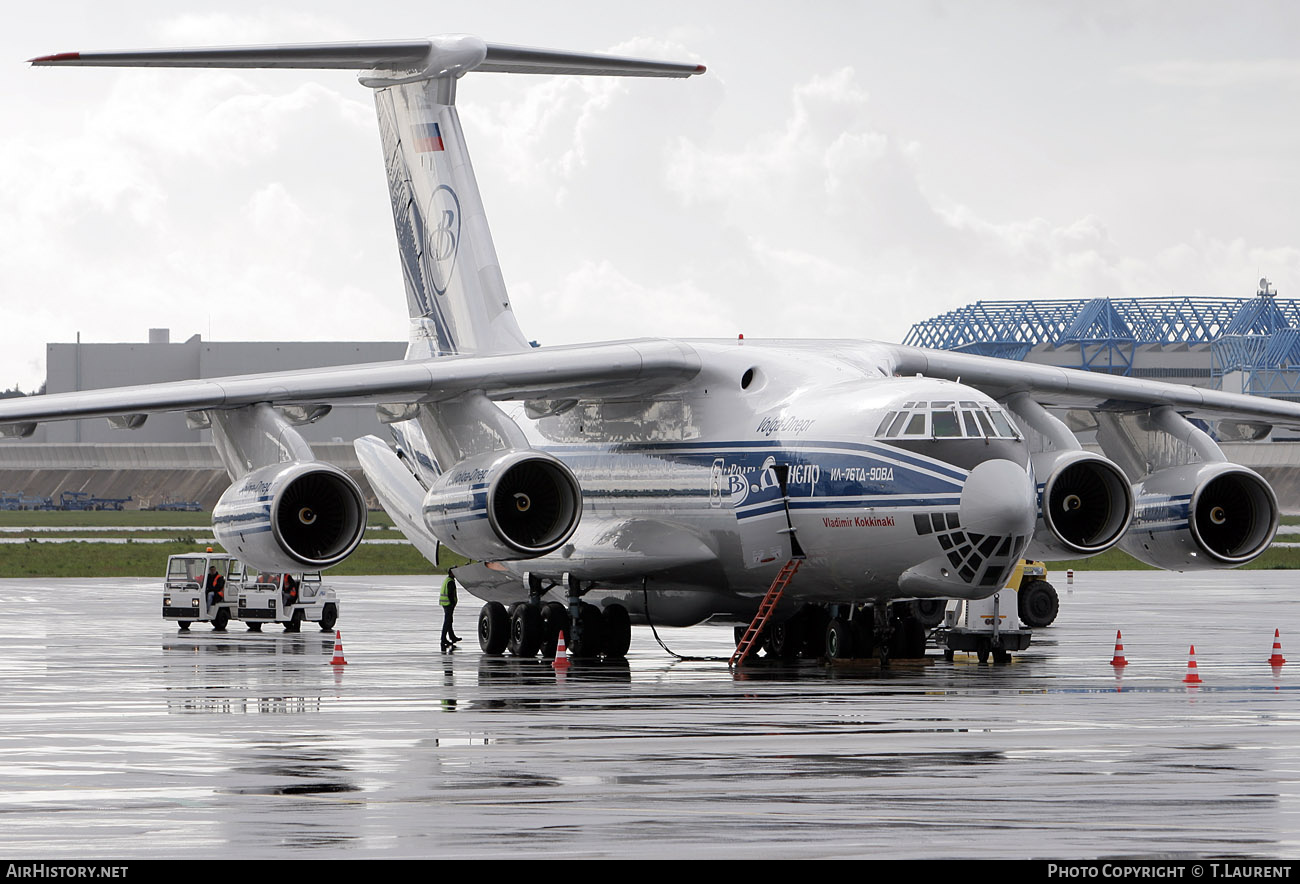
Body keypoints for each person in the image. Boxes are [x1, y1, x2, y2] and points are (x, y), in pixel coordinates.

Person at [440, 574, 460, 651]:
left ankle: (452, 637)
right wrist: (452, 603)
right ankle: (443, 639)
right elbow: (450, 594)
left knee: (449, 621)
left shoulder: (447, 580)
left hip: (445, 603)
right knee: (447, 621)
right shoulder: (450, 582)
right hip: (448, 604)